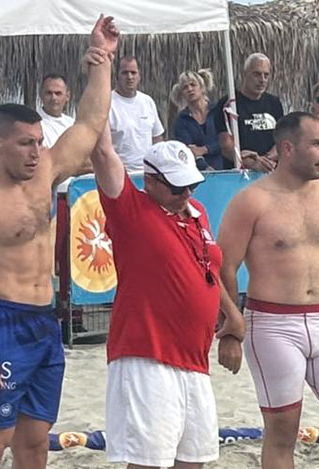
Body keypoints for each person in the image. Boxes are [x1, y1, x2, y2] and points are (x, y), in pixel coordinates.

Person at [0, 16, 118, 469]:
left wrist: (102, 58)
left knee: (36, 441)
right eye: (24, 144)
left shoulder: (46, 173)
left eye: (39, 141)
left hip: (44, 320)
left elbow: (91, 121)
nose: (36, 152)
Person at [217, 112, 319, 469]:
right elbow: (222, 267)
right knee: (282, 432)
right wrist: (231, 329)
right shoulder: (253, 200)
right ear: (288, 148)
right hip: (272, 325)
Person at [90, 124, 244, 467]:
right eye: (176, 187)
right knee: (149, 462)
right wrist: (101, 73)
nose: (186, 192)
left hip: (194, 357)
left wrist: (230, 313)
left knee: (194, 460)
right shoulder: (130, 209)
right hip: (148, 353)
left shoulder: (197, 213)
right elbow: (101, 152)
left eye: (190, 183)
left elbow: (204, 269)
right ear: (150, 181)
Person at [214, 52, 284, 172]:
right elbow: (226, 145)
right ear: (245, 74)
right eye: (257, 74)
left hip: (270, 171)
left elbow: (282, 138)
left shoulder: (274, 103)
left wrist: (265, 160)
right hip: (240, 174)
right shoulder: (228, 103)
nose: (262, 80)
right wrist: (251, 163)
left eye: (266, 75)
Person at [109, 56, 165, 171]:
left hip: (148, 173)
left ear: (139, 76)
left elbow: (157, 139)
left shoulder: (147, 101)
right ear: (116, 76)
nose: (130, 77)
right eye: (125, 73)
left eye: (133, 73)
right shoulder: (107, 103)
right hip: (119, 175)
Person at [170, 69, 224, 170]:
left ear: (202, 87)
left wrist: (205, 149)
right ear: (182, 94)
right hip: (196, 172)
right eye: (185, 87)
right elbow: (188, 150)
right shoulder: (181, 121)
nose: (190, 89)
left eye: (193, 84)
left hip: (226, 168)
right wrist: (205, 167)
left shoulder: (218, 111)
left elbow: (226, 141)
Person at [38, 73, 74, 148]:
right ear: (41, 95)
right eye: (49, 93)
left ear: (67, 96)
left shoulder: (73, 124)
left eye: (58, 93)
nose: (53, 98)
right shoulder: (34, 124)